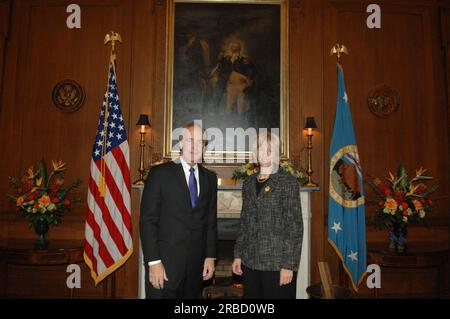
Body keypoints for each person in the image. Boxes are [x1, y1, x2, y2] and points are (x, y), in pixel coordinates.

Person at [140, 122, 218, 299]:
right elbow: (148, 220)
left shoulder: (210, 179)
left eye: (200, 142)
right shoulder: (159, 174)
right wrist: (153, 262)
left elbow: (211, 222)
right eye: (191, 141)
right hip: (164, 267)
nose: (195, 146)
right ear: (181, 143)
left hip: (195, 270)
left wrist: (210, 256)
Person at [232, 132, 303, 299]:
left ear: (277, 153)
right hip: (250, 262)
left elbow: (295, 227)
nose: (263, 154)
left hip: (277, 265)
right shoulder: (249, 182)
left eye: (269, 150)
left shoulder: (288, 182)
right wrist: (237, 255)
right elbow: (245, 222)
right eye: (259, 149)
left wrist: (289, 265)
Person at [213, 41, 256, 114]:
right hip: (230, 86)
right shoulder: (226, 59)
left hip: (241, 86)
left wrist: (249, 79)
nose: (234, 47)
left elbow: (252, 70)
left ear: (240, 48)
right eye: (232, 46)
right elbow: (220, 69)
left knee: (241, 109)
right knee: (228, 108)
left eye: (236, 46)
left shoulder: (244, 59)